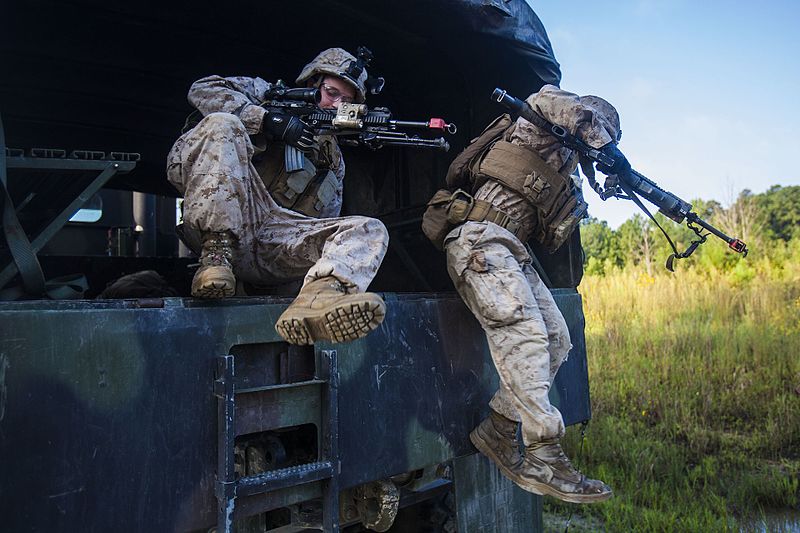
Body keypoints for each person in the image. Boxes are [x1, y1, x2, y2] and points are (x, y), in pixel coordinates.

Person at [431, 85, 621, 503]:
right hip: (479, 240)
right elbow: (552, 101)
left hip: (513, 252)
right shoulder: (540, 121)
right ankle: (543, 453)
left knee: (556, 339)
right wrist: (608, 147)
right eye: (600, 133)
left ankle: (499, 430)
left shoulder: (563, 171)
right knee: (527, 336)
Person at [167, 48, 389, 346]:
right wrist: (267, 120)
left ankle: (317, 299)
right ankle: (215, 256)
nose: (336, 105)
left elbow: (320, 224)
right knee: (223, 123)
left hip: (274, 239)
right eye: (331, 93)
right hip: (228, 219)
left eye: (346, 101)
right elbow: (202, 89)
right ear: (313, 83)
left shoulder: (332, 158)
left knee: (369, 229)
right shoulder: (267, 93)